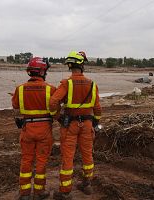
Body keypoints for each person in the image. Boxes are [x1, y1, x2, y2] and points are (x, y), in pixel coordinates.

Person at [50, 51, 102, 200]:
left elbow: (53, 102)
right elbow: (98, 108)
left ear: (69, 66)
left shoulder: (66, 84)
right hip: (86, 124)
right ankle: (87, 185)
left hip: (70, 125)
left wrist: (57, 117)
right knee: (87, 154)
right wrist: (95, 121)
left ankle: (65, 192)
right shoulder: (92, 84)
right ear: (82, 65)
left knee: (68, 156)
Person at [11, 57, 57, 200]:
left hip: (27, 129)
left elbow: (15, 106)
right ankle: (39, 192)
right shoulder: (51, 89)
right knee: (41, 160)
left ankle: (24, 193)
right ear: (42, 71)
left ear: (30, 72)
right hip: (44, 129)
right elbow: (56, 109)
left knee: (26, 160)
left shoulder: (20, 89)